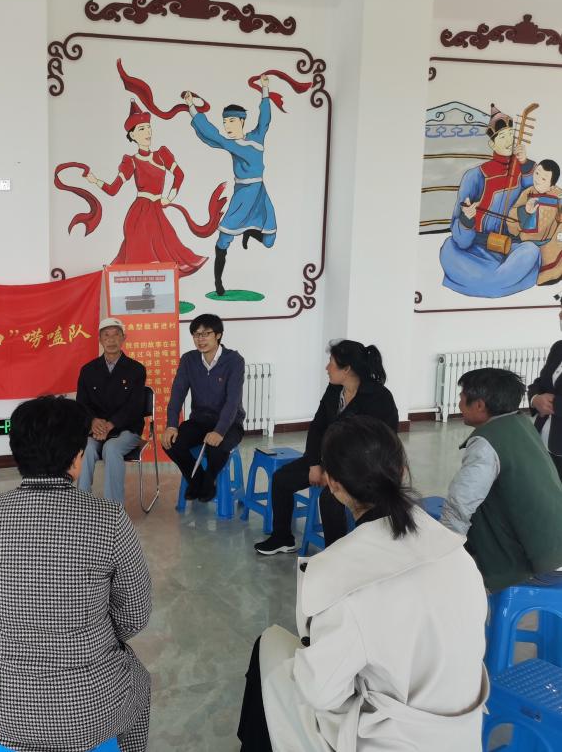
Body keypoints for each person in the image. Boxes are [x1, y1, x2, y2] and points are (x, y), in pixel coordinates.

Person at [237, 416, 488, 752]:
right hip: (461, 735)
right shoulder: (457, 553)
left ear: (333, 485)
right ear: (402, 471)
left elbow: (320, 692)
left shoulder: (346, 577)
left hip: (392, 741)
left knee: (269, 648)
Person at [0, 396, 152, 752]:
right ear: (78, 458)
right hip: (89, 709)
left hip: (2, 704)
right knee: (140, 682)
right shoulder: (109, 518)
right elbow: (135, 615)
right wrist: (88, 634)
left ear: (17, 454)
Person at [254, 340, 399, 556]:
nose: (327, 367)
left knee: (330, 499)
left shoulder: (379, 398)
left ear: (347, 369)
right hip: (329, 460)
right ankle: (282, 538)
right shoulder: (335, 389)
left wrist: (333, 473)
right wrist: (315, 463)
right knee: (282, 479)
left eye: (331, 362)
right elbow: (317, 426)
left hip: (364, 469)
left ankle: (335, 557)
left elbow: (377, 447)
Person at [441, 368, 562, 591]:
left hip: (539, 565)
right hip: (554, 549)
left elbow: (460, 504)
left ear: (479, 405)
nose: (459, 404)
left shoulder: (486, 443)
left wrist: (442, 554)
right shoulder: (522, 424)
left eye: (462, 397)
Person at [78, 101, 209, 277]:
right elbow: (113, 189)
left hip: (156, 210)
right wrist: (95, 180)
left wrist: (168, 198)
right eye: (141, 129)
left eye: (148, 127)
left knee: (169, 247)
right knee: (142, 257)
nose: (147, 132)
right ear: (132, 135)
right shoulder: (131, 161)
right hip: (139, 214)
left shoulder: (162, 155)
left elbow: (179, 175)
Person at [184, 77, 276, 295]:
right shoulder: (229, 143)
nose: (227, 126)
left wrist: (265, 89)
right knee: (223, 240)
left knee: (269, 240)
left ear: (242, 122)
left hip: (259, 194)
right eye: (225, 122)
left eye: (232, 121)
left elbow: (265, 118)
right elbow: (210, 133)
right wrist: (191, 108)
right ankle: (218, 282)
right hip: (242, 195)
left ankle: (248, 231)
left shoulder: (257, 138)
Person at [439, 104, 542, 298]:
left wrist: (524, 164)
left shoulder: (524, 171)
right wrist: (467, 219)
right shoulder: (474, 176)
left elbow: (536, 193)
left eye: (511, 135)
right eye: (502, 137)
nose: (509, 141)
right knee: (448, 249)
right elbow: (460, 238)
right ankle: (498, 282)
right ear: (492, 145)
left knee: (531, 251)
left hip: (509, 247)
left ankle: (487, 283)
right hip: (474, 247)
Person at [161, 313, 245, 502]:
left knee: (217, 448)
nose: (201, 339)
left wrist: (219, 431)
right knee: (171, 443)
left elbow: (233, 401)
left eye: (206, 333)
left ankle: (208, 482)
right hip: (199, 420)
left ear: (218, 335)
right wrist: (171, 425)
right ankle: (197, 479)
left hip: (230, 423)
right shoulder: (189, 359)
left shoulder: (234, 360)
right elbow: (177, 394)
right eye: (196, 334)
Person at [76, 317, 147, 504]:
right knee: (87, 449)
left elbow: (135, 407)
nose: (111, 340)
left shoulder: (136, 369)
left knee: (111, 448)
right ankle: (81, 503)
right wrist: (93, 421)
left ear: (124, 338)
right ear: (100, 340)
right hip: (96, 429)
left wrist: (110, 424)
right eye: (106, 335)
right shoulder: (88, 370)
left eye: (116, 335)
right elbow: (81, 404)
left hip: (126, 429)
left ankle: (113, 508)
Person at [506, 158, 562, 285]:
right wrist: (525, 211)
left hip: (550, 244)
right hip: (526, 244)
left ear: (552, 185)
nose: (537, 179)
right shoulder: (527, 193)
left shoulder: (559, 196)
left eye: (543, 179)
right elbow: (511, 217)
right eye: (537, 173)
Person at [530, 312, 562, 480]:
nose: (560, 315)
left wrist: (552, 404)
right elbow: (540, 382)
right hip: (543, 440)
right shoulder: (558, 348)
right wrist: (535, 399)